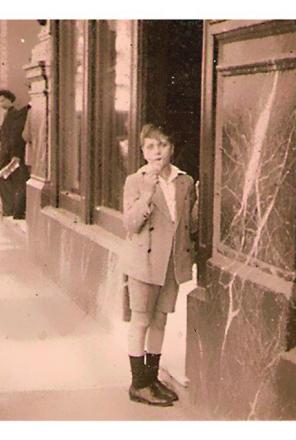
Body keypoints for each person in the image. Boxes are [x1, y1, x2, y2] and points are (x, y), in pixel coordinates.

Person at [122, 123, 198, 406]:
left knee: (160, 320)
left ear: (172, 148)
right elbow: (130, 224)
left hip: (171, 263)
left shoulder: (184, 181)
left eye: (162, 145)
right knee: (140, 320)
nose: (157, 152)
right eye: (151, 146)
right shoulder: (135, 181)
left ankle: (151, 378)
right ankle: (138, 383)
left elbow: (187, 224)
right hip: (144, 262)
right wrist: (147, 194)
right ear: (143, 151)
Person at [0, 89, 30, 219]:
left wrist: (13, 154)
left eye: (3, 100)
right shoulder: (8, 115)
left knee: (13, 181)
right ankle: (12, 210)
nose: (1, 103)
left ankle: (13, 210)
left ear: (10, 99)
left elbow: (14, 136)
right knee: (12, 182)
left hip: (11, 157)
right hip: (8, 156)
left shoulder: (14, 115)